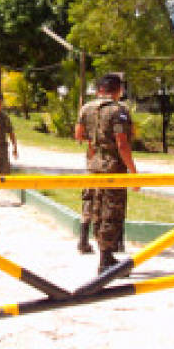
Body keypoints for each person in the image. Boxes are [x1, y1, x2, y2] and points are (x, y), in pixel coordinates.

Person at [75, 72, 138, 272]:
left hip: (93, 166)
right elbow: (122, 143)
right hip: (112, 167)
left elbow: (78, 135)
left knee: (96, 208)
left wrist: (93, 145)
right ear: (118, 90)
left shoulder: (86, 108)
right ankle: (106, 259)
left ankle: (102, 252)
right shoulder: (118, 110)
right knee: (111, 211)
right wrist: (133, 172)